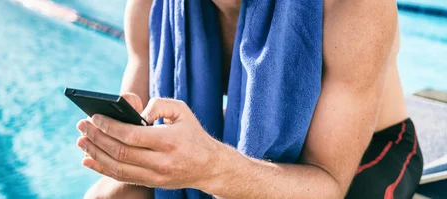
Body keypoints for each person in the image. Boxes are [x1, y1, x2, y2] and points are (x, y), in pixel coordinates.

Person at [76, 0, 423, 198]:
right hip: (230, 140)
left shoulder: (354, 6)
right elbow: (142, 156)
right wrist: (127, 152)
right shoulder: (153, 7)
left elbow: (327, 185)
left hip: (365, 152)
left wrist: (211, 168)